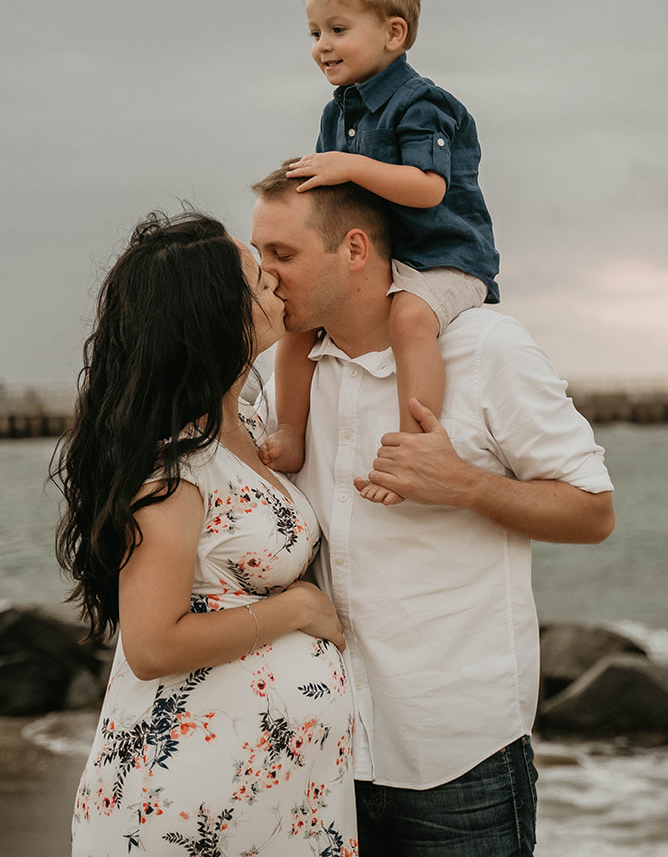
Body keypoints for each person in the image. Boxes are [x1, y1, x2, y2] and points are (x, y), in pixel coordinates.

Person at [250, 166, 615, 856]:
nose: (267, 277)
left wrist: (463, 484)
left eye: (283, 254)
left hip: (460, 761)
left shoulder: (487, 350)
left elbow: (594, 511)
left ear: (355, 250)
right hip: (323, 753)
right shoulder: (288, 377)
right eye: (261, 255)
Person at [54, 210, 359, 857]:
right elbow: (152, 642)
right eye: (255, 277)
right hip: (181, 808)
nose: (273, 280)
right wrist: (297, 607)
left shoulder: (248, 424)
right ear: (216, 315)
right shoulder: (174, 468)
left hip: (261, 801)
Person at [260, 0, 499, 475]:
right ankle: (290, 433)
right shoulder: (335, 112)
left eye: (338, 30)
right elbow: (330, 198)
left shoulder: (421, 102)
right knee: (299, 323)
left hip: (445, 257)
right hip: (383, 257)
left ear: (393, 33)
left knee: (410, 318)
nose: (323, 46)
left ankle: (415, 447)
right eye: (315, 33)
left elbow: (428, 187)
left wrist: (348, 166)